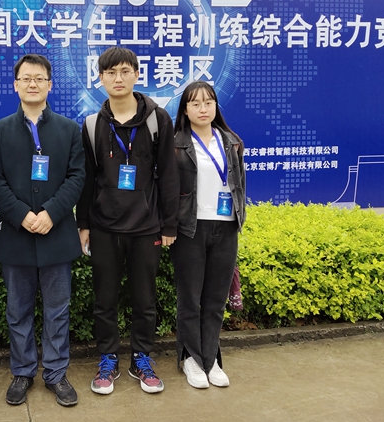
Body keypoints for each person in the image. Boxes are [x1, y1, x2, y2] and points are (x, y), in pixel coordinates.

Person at [76, 47, 179, 395]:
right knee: (104, 299)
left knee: (144, 300)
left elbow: (168, 175)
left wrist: (169, 225)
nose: (117, 79)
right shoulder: (92, 125)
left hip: (146, 227)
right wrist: (83, 224)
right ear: (100, 78)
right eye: (110, 73)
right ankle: (108, 358)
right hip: (104, 227)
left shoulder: (157, 120)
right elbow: (87, 180)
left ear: (137, 74)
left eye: (124, 71)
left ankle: (141, 357)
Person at [0, 54, 85, 407]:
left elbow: (77, 177)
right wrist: (21, 215)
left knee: (58, 310)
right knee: (18, 311)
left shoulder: (69, 130)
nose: (32, 84)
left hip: (57, 234)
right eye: (26, 78)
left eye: (39, 78)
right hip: (17, 235)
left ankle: (56, 373)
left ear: (49, 85)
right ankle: (23, 371)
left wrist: (51, 213)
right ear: (16, 85)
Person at [170, 80, 246, 389]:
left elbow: (239, 185)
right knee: (190, 299)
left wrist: (239, 218)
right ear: (185, 110)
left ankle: (211, 357)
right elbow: (168, 190)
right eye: (196, 103)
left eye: (209, 102)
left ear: (216, 106)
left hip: (225, 227)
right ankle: (191, 358)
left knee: (215, 299)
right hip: (191, 228)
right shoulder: (176, 144)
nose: (203, 108)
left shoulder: (231, 142)